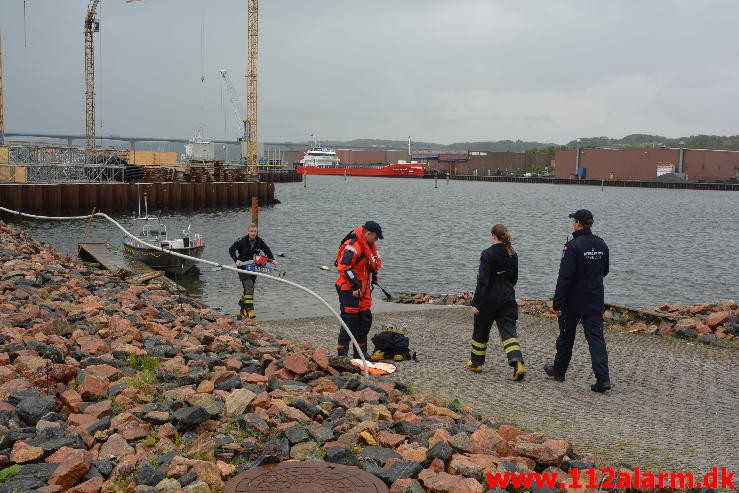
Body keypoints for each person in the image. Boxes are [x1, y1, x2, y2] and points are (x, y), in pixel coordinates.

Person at [545, 209, 611, 392]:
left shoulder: (572, 246)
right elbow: (605, 271)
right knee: (596, 339)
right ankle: (603, 379)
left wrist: (557, 303)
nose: (572, 223)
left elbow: (564, 277)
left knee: (566, 336)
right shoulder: (601, 244)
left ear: (578, 224)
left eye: (573, 221)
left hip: (573, 302)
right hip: (594, 299)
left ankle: (559, 370)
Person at [467, 224, 525, 381]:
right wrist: (505, 289)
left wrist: (476, 302)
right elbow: (514, 278)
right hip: (507, 297)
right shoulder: (513, 253)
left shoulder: (487, 254)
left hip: (488, 299)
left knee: (481, 329)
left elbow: (483, 281)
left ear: (493, 236)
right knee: (509, 332)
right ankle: (517, 363)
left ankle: (476, 363)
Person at [335, 221, 383, 358]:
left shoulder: (369, 246)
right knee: (350, 320)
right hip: (349, 287)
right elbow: (344, 267)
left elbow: (369, 265)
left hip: (364, 287)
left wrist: (373, 276)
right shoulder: (353, 246)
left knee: (365, 319)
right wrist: (355, 285)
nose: (377, 240)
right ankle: (342, 354)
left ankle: (360, 352)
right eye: (376, 237)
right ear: (368, 233)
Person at [228, 223, 276, 319]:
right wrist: (236, 260)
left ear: (257, 232)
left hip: (254, 268)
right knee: (249, 285)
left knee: (249, 288)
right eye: (251, 231)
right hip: (242, 267)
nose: (253, 233)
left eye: (255, 231)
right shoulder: (241, 240)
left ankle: (242, 308)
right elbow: (231, 250)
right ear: (248, 231)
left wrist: (272, 259)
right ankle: (249, 310)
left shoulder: (259, 241)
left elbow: (267, 250)